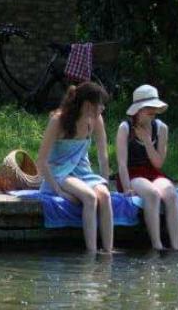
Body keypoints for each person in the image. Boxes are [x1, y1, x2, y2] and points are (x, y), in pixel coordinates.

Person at [36, 81, 113, 253]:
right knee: (90, 197)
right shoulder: (58, 120)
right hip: (59, 172)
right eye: (99, 104)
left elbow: (103, 155)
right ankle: (91, 253)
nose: (102, 108)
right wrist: (58, 191)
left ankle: (108, 252)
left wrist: (105, 180)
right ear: (87, 105)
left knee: (105, 196)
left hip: (82, 171)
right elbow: (41, 161)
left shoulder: (97, 120)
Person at [116, 84, 178, 250]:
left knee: (171, 194)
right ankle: (157, 245)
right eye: (148, 108)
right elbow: (122, 163)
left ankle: (175, 246)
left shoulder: (161, 128)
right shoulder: (125, 128)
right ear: (138, 110)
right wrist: (127, 188)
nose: (153, 111)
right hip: (132, 174)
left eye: (154, 107)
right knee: (152, 194)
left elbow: (158, 163)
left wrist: (147, 141)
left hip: (153, 172)